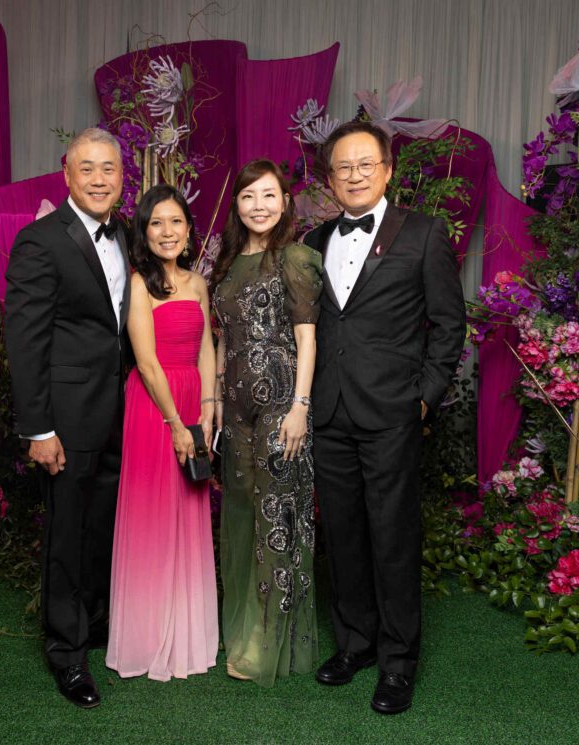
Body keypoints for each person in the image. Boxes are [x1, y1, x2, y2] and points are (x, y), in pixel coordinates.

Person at [304, 121, 466, 714]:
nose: (353, 175)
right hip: (330, 410)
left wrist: (423, 397)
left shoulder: (423, 235)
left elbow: (449, 325)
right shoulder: (313, 238)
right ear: (329, 177)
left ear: (387, 169)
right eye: (343, 167)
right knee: (342, 535)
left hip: (392, 412)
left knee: (393, 538)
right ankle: (355, 644)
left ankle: (398, 663)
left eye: (364, 164)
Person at [4, 128, 130, 709]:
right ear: (67, 173)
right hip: (66, 419)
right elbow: (25, 341)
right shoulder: (39, 241)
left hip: (119, 412)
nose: (100, 178)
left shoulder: (127, 235)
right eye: (88, 169)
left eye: (109, 168)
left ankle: (97, 625)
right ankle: (67, 653)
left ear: (122, 175)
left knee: (103, 527)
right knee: (66, 535)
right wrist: (39, 429)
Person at [210, 159, 323, 686]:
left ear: (284, 202)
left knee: (278, 519)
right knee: (242, 515)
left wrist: (300, 405)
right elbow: (223, 340)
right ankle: (244, 626)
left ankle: (270, 641)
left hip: (282, 404)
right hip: (234, 411)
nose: (259, 205)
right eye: (249, 196)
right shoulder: (228, 263)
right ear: (237, 204)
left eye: (269, 195)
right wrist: (213, 402)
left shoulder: (295, 259)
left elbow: (307, 337)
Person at [105, 184, 219, 681]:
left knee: (189, 506)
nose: (167, 232)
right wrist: (176, 423)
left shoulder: (197, 283)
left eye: (175, 222)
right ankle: (149, 634)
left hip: (193, 398)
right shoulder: (137, 283)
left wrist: (210, 406)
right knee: (153, 509)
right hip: (156, 407)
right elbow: (147, 362)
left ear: (189, 231)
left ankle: (189, 632)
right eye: (156, 223)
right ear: (143, 232)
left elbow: (206, 348)